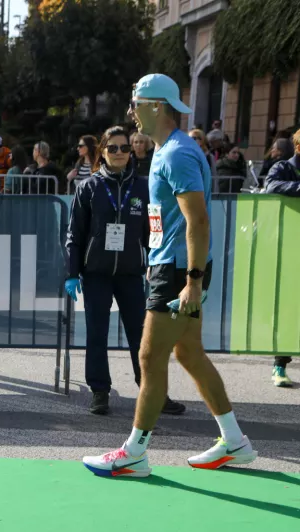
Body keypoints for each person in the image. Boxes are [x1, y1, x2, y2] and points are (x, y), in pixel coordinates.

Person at [83, 73, 258, 478]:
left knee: (149, 356)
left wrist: (192, 280)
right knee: (188, 353)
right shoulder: (168, 150)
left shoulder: (176, 154)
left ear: (156, 106)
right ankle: (234, 440)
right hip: (173, 265)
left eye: (136, 104)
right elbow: (177, 220)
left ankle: (135, 452)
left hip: (180, 271)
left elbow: (197, 220)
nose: (131, 113)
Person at [65, 126, 185, 417]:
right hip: (96, 273)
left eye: (124, 148)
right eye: (113, 148)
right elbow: (75, 234)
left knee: (141, 335)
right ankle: (100, 391)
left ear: (131, 152)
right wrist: (72, 272)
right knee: (97, 333)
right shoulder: (89, 187)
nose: (119, 153)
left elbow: (154, 231)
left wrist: (155, 263)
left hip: (131, 272)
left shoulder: (144, 187)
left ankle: (152, 390)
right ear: (103, 152)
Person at [262, 128, 300, 388]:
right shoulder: (284, 167)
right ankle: (280, 365)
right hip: (290, 246)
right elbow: (270, 185)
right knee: (289, 307)